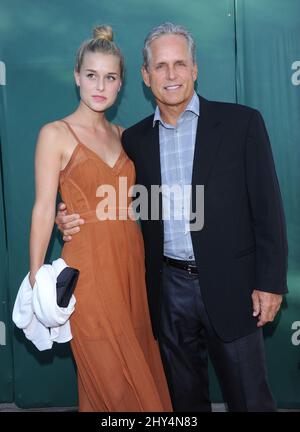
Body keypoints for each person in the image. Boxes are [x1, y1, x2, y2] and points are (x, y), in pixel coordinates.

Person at [56, 23, 288, 412]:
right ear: (146, 78)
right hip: (168, 291)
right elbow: (116, 201)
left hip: (234, 287)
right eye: (160, 66)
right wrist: (69, 217)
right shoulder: (134, 140)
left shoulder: (241, 124)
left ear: (195, 69)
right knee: (183, 401)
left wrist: (270, 282)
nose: (171, 74)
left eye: (180, 64)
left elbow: (268, 209)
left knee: (250, 399)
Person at [29, 25, 172, 412]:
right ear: (77, 76)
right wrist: (35, 275)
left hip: (131, 267)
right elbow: (44, 206)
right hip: (88, 272)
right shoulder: (54, 134)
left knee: (133, 368)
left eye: (110, 77)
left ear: (121, 83)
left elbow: (142, 199)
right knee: (110, 379)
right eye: (91, 75)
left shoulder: (124, 135)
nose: (99, 85)